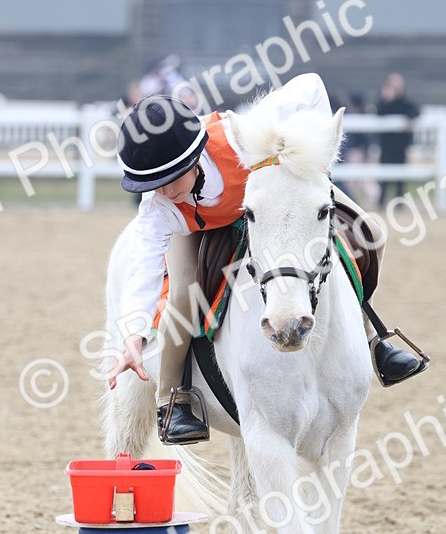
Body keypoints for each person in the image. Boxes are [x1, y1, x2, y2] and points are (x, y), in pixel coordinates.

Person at [107, 75, 425, 445]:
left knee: (371, 234)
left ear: (195, 157)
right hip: (195, 228)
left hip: (271, 198)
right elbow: (145, 266)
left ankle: (375, 341)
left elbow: (311, 85)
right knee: (182, 295)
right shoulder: (160, 207)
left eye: (171, 179)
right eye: (153, 185)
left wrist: (314, 153)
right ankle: (173, 400)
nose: (164, 192)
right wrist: (134, 333)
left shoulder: (240, 134)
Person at [376, 73, 419, 204]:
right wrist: (386, 99)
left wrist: (408, 119)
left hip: (401, 145)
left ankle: (400, 201)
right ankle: (382, 200)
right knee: (384, 175)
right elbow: (378, 112)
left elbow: (416, 111)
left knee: (400, 177)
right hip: (387, 144)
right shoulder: (383, 102)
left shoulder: (404, 103)